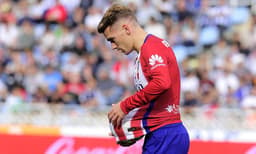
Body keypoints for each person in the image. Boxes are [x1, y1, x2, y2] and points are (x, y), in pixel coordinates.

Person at [97, 3, 190, 154]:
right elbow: (157, 99)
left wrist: (125, 105)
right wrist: (133, 127)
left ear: (126, 29)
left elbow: (162, 83)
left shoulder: (151, 48)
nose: (113, 46)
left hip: (166, 135)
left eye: (112, 40)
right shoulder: (146, 51)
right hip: (161, 134)